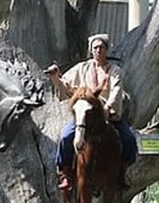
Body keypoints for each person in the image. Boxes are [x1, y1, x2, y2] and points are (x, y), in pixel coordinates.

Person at [45, 34, 138, 190]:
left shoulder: (115, 71)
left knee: (128, 138)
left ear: (107, 50)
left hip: (109, 116)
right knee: (66, 137)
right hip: (85, 116)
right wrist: (55, 77)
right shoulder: (83, 68)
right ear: (91, 51)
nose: (98, 50)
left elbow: (116, 92)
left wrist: (107, 108)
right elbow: (66, 85)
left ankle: (122, 172)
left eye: (101, 47)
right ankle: (65, 172)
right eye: (95, 48)